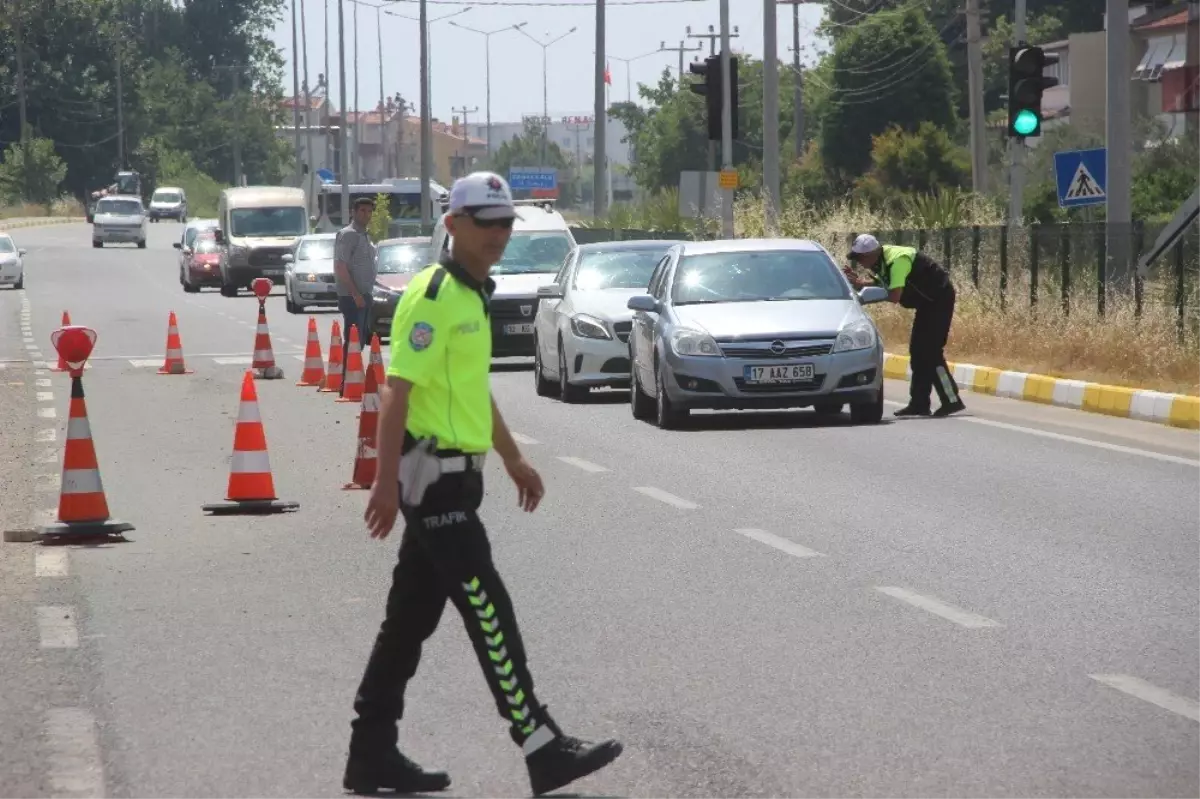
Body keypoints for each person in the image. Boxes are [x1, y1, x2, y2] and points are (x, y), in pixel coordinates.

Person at [345, 171, 623, 797]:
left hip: (456, 477)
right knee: (487, 607)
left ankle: (371, 754)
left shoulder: (473, 296)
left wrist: (513, 458)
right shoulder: (434, 294)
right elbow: (395, 391)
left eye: (506, 223)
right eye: (488, 223)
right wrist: (385, 483)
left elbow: (471, 395)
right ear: (453, 225)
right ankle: (539, 742)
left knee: (406, 626)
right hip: (429, 477)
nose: (501, 234)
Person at [845, 234, 966, 417]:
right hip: (927, 304)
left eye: (860, 258)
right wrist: (862, 283)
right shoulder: (883, 261)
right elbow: (890, 282)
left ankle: (951, 399)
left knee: (931, 353)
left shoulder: (897, 260)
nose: (860, 263)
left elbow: (894, 295)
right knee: (918, 352)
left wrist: (866, 298)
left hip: (939, 300)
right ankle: (919, 404)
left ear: (871, 254)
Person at [334, 196, 378, 395]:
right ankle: (346, 382)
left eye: (369, 211)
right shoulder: (348, 234)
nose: (366, 215)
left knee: (360, 340)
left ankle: (352, 378)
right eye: (362, 211)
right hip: (352, 296)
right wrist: (355, 294)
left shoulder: (365, 235)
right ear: (353, 212)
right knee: (353, 340)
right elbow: (341, 267)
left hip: (365, 294)